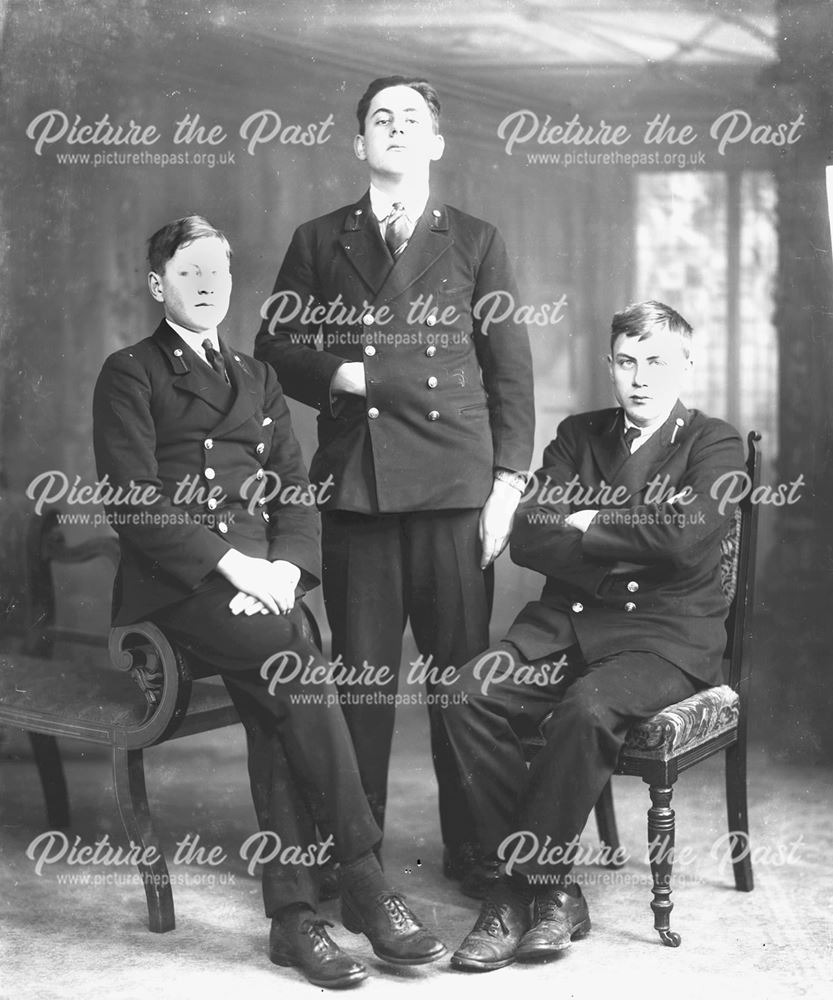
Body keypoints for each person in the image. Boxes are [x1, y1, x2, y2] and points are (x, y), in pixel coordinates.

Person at [92, 215, 446, 989]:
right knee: (296, 665)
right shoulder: (130, 372)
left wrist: (286, 570)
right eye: (189, 272)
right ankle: (363, 878)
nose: (208, 283)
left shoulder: (257, 377)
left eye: (218, 269)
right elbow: (135, 502)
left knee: (280, 688)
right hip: (175, 590)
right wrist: (234, 567)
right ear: (159, 287)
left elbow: (292, 491)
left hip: (262, 589)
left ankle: (293, 922)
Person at [254, 76, 535, 895]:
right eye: (381, 119)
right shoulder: (317, 238)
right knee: (363, 681)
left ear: (436, 143)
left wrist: (508, 486)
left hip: (455, 490)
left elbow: (508, 374)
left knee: (459, 683)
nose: (397, 129)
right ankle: (358, 857)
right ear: (359, 145)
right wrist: (343, 370)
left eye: (412, 119)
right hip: (358, 491)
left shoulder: (477, 239)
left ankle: (480, 853)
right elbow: (274, 347)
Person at [441, 300, 746, 970]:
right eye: (627, 362)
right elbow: (526, 536)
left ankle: (518, 892)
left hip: (664, 640)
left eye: (657, 362)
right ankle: (546, 891)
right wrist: (621, 536)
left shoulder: (714, 443)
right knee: (465, 694)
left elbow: (686, 541)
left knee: (586, 708)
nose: (640, 378)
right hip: (568, 628)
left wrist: (583, 523)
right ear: (609, 365)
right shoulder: (578, 435)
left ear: (685, 365)